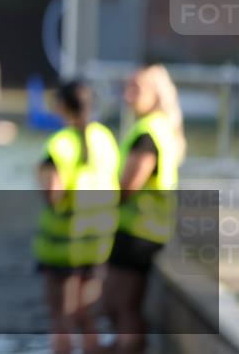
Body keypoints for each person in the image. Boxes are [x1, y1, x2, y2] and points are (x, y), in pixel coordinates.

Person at [33, 81, 120, 354]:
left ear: (61, 106)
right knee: (87, 317)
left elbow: (53, 193)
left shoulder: (60, 143)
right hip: (97, 243)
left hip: (63, 245)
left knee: (61, 319)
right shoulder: (105, 137)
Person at [103, 65, 184, 353]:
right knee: (118, 306)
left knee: (122, 307)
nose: (128, 95)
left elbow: (128, 185)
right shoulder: (159, 128)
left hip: (138, 232)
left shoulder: (148, 133)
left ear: (155, 94)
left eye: (135, 88)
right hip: (143, 229)